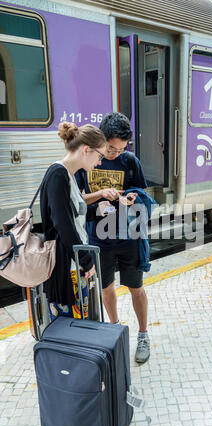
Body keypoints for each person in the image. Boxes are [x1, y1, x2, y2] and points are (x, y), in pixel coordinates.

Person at [75, 112, 150, 364]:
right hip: (99, 237)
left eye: (120, 149)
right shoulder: (87, 162)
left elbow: (141, 193)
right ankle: (115, 330)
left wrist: (130, 199)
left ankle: (143, 334)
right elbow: (76, 199)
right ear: (100, 140)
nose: (114, 154)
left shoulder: (130, 161)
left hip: (129, 235)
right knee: (106, 287)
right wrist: (100, 196)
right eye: (110, 148)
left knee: (136, 287)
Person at [40, 121, 110, 320]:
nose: (99, 162)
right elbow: (63, 226)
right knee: (70, 329)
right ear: (87, 150)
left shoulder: (68, 175)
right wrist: (87, 262)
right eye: (100, 155)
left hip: (74, 265)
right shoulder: (58, 175)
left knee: (79, 325)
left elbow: (70, 216)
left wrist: (97, 210)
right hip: (66, 268)